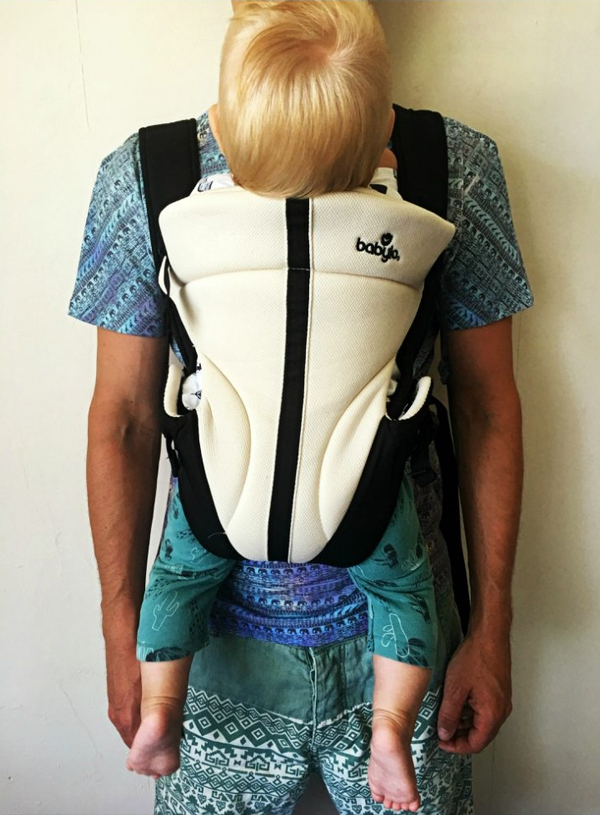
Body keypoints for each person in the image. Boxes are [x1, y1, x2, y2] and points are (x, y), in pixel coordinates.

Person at [69, 1, 534, 812]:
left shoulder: (450, 164)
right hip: (215, 650)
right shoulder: (146, 173)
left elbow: (487, 407)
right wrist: (121, 626)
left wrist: (494, 625)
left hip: (402, 628)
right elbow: (125, 420)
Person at [126, 10, 455, 805]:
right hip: (365, 496)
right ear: (382, 134)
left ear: (223, 134)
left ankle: (162, 708)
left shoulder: (191, 219)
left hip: (218, 489)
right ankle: (391, 728)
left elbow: (128, 410)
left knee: (175, 580)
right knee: (403, 595)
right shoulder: (403, 224)